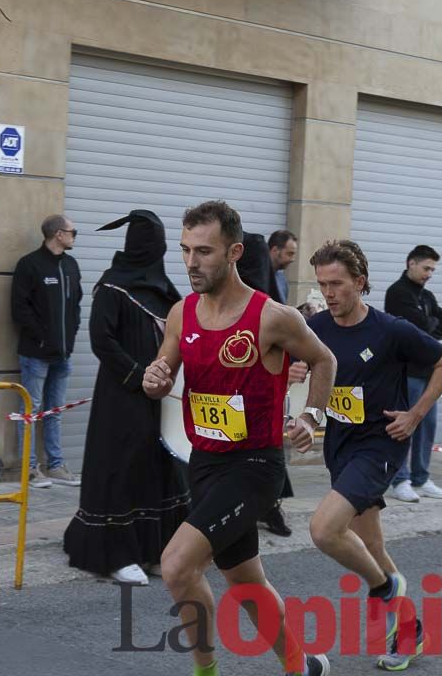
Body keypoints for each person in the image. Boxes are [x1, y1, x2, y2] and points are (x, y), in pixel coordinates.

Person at [143, 200, 338, 676]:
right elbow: (165, 367)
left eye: (204, 251)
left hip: (254, 468)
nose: (191, 262)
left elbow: (324, 360)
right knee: (246, 581)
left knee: (176, 565)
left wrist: (311, 417)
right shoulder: (180, 312)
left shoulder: (271, 316)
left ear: (232, 252)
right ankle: (302, 665)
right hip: (205, 461)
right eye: (185, 250)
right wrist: (157, 376)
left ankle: (205, 671)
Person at [296, 240, 442, 666]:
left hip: (380, 445)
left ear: (360, 282)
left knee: (324, 529)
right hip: (341, 446)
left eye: (337, 284)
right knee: (371, 544)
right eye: (322, 285)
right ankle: (409, 631)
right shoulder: (318, 330)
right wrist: (299, 377)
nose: (328, 293)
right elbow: (305, 369)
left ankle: (384, 589)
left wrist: (416, 415)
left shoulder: (391, 330)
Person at [63, 210, 189, 585]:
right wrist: (139, 376)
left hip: (161, 398)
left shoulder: (164, 289)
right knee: (123, 466)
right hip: (122, 396)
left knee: (160, 467)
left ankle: (154, 550)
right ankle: (117, 553)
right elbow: (103, 341)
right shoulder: (112, 286)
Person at [11, 214, 83, 488]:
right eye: (72, 231)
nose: (74, 235)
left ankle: (55, 465)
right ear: (58, 235)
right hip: (35, 355)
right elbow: (19, 308)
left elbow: (76, 304)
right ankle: (29, 469)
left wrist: (71, 336)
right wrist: (41, 339)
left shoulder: (71, 265)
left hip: (63, 355)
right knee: (31, 409)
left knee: (56, 410)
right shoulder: (30, 265)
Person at [237, 232, 296, 537]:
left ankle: (270, 506)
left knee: (264, 447)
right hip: (230, 391)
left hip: (262, 389)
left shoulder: (271, 295)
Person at [384, 245, 442, 502]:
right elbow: (422, 325)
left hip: (429, 372)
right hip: (407, 371)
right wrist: (427, 325)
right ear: (411, 263)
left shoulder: (427, 296)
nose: (429, 274)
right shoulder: (397, 293)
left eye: (433, 270)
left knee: (428, 425)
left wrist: (427, 326)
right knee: (405, 424)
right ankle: (400, 479)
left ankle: (422, 477)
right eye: (426, 268)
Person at [268, 229, 299, 305]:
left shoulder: (282, 280)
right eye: (289, 254)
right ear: (275, 250)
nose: (293, 259)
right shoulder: (257, 277)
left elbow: (280, 311)